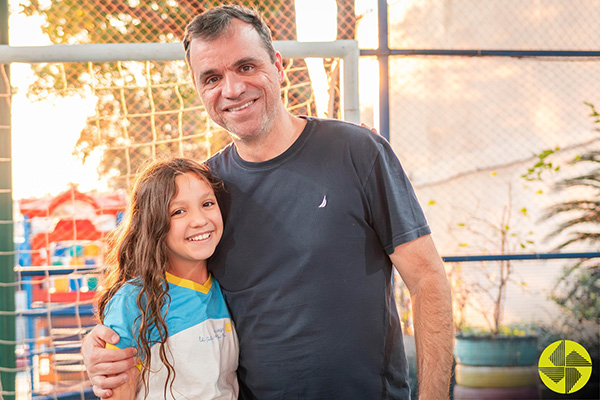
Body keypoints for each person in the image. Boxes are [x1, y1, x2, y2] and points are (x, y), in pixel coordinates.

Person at [82, 5, 454, 399]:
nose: (232, 89)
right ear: (198, 90)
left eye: (245, 67)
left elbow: (427, 279)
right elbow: (153, 287)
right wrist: (102, 344)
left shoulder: (358, 152)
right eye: (212, 77)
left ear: (277, 66)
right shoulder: (206, 195)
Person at [95, 157, 239, 399]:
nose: (200, 220)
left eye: (207, 203)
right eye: (179, 211)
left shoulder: (229, 288)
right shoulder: (133, 301)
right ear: (154, 223)